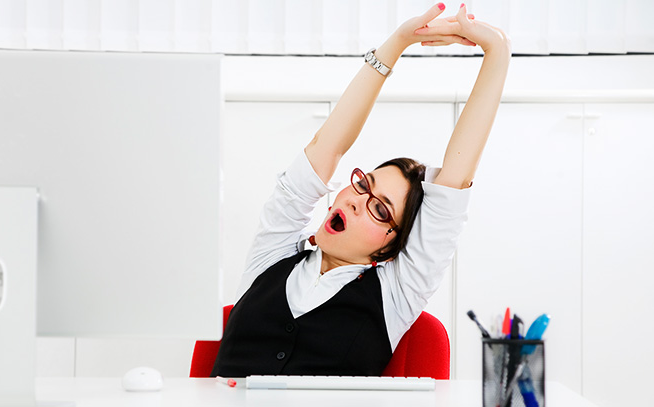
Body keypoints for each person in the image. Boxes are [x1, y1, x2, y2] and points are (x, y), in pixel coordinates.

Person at [211, 3, 511, 377]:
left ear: (388, 246)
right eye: (363, 185)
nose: (356, 202)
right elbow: (327, 146)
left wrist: (497, 51)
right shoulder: (271, 257)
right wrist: (398, 42)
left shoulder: (395, 295)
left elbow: (454, 182)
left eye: (380, 210)